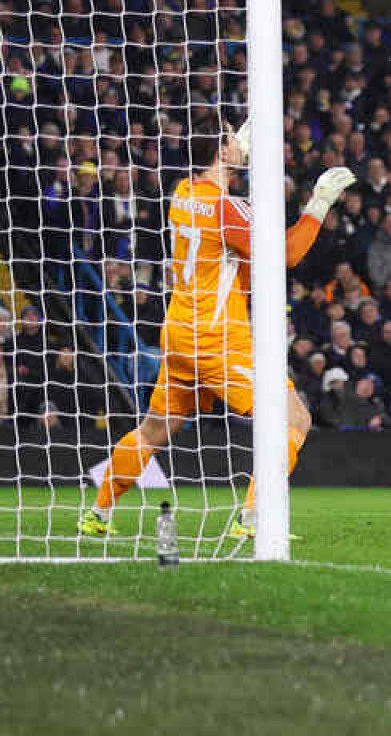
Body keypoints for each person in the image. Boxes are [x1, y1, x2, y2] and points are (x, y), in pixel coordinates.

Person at [82, 121, 354, 542]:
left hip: (179, 334)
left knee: (153, 430)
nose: (238, 143)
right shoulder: (228, 210)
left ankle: (97, 513)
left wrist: (232, 150)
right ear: (220, 153)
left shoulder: (182, 195)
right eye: (230, 138)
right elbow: (287, 254)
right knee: (293, 419)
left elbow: (224, 234)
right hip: (217, 340)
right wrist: (318, 204)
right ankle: (251, 519)